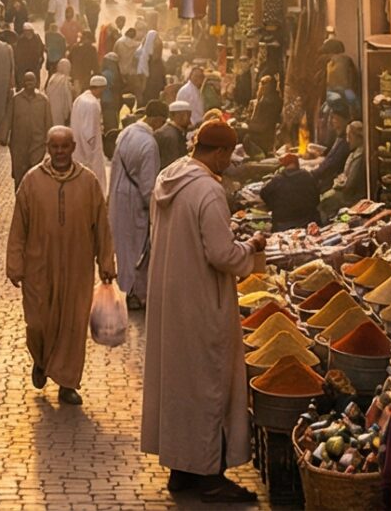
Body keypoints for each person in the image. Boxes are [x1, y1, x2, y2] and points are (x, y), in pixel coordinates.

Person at [142, 121, 265, 503]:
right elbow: (221, 254)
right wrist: (253, 247)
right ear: (221, 153)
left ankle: (182, 470)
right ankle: (210, 475)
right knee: (211, 385)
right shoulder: (209, 191)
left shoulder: (168, 177)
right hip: (202, 303)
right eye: (229, 155)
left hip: (171, 301)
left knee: (182, 387)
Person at [7, 126, 116, 404]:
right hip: (38, 268)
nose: (59, 152)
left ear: (73, 147)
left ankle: (67, 382)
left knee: (72, 324)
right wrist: (14, 263)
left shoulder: (89, 182)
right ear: (47, 147)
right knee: (37, 322)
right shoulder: (32, 181)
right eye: (54, 147)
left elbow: (102, 226)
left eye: (64, 147)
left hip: (77, 268)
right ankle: (41, 360)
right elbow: (19, 226)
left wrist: (106, 260)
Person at [110, 102, 166, 311]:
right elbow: (148, 185)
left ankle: (125, 288)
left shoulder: (127, 132)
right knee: (138, 249)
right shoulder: (149, 145)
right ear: (157, 119)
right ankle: (134, 293)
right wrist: (153, 209)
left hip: (119, 196)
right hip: (134, 203)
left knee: (123, 248)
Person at [257, 150, 325, 233]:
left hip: (283, 225)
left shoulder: (277, 179)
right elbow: (316, 198)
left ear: (284, 165)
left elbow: (263, 193)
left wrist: (273, 205)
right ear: (297, 164)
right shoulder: (308, 176)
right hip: (309, 222)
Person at [10, 71, 52, 187]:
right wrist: (3, 136)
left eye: (31, 81)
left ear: (36, 82)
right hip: (19, 144)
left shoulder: (43, 101)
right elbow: (8, 118)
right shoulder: (16, 99)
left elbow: (48, 122)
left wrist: (50, 140)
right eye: (27, 81)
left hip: (37, 144)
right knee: (19, 174)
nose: (29, 84)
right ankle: (20, 198)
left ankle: (34, 199)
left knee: (36, 173)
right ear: (23, 83)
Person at [69, 75, 110, 187]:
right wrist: (92, 152)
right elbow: (90, 133)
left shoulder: (79, 99)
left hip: (77, 147)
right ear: (100, 88)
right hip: (89, 151)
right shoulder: (92, 104)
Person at [157, 100, 193, 167]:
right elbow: (174, 164)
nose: (190, 121)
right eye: (188, 116)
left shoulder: (168, 131)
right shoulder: (171, 136)